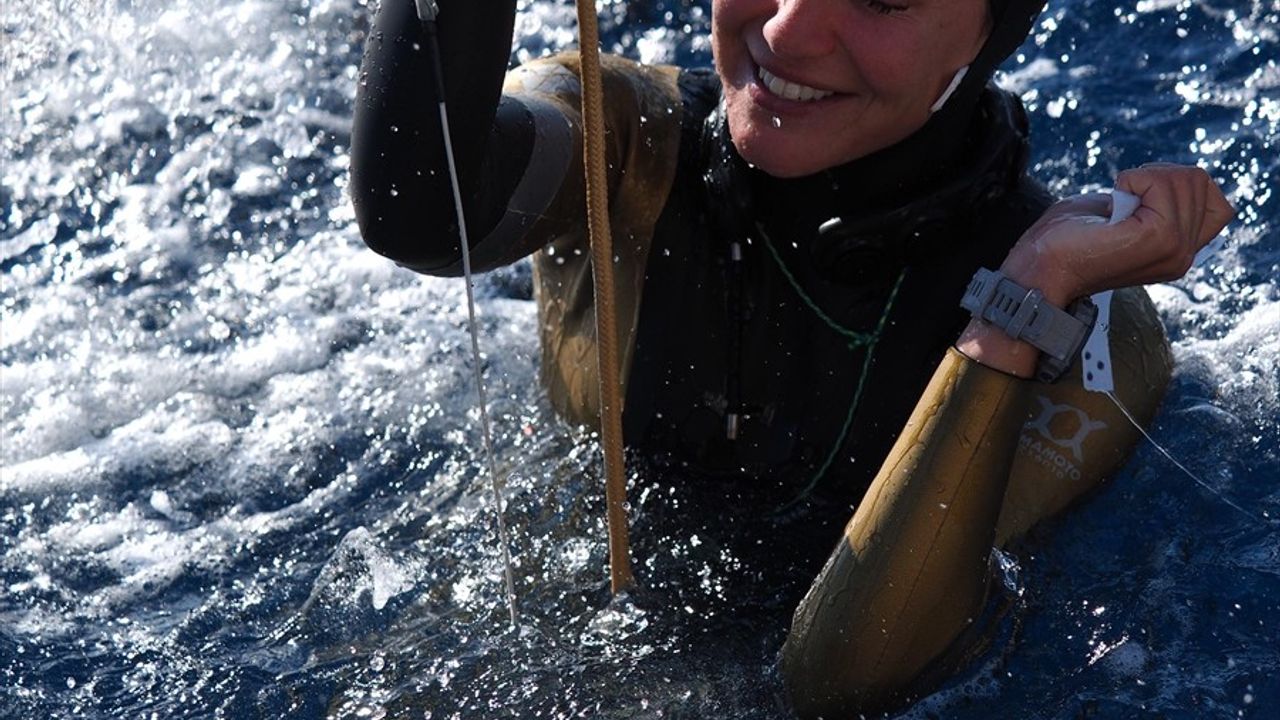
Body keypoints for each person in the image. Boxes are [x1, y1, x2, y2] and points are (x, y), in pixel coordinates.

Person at [350, 0, 1233, 715]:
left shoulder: (1086, 328)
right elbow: (422, 204)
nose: (785, 32)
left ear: (987, 34)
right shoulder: (626, 139)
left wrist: (1018, 305)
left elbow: (848, 681)